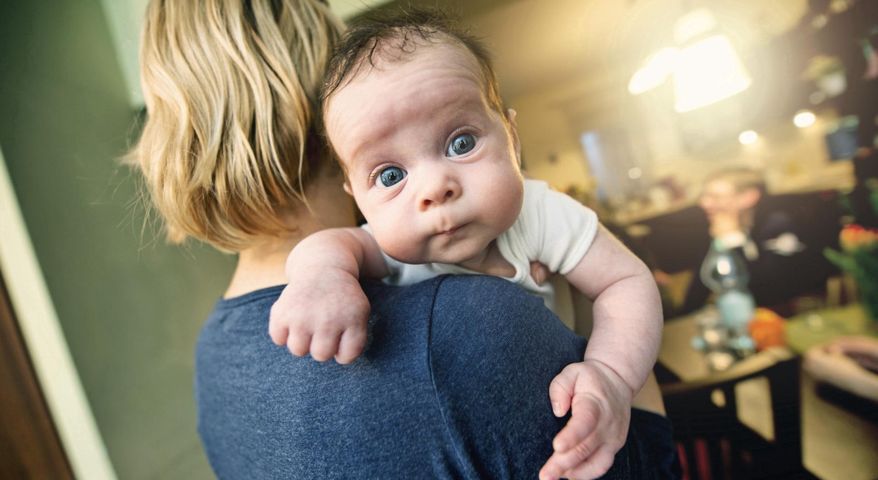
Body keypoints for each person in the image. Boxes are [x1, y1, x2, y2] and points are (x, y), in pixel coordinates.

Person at [128, 1, 677, 479]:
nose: (435, 187)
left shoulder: (214, 354)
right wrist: (321, 276)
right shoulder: (472, 326)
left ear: (510, 134)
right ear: (330, 139)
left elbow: (624, 283)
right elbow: (335, 250)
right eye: (390, 174)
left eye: (459, 142)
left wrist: (606, 362)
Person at [678, 167, 842, 315]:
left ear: (749, 197)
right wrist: (683, 316)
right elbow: (702, 280)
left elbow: (772, 292)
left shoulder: (779, 225)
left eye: (715, 197)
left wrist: (733, 241)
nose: (704, 203)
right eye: (704, 196)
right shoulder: (722, 227)